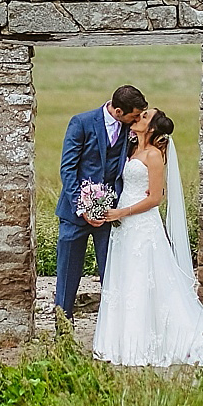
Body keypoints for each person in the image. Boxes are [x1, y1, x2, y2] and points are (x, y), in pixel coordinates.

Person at [88, 108, 203, 367]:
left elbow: (154, 198)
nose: (137, 118)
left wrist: (121, 212)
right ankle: (119, 340)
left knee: (143, 277)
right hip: (124, 226)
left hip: (141, 223)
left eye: (144, 117)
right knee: (125, 277)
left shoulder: (153, 156)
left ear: (151, 129)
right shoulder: (131, 149)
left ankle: (143, 342)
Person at [54, 85, 148, 318]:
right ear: (118, 111)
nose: (137, 120)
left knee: (112, 273)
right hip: (74, 215)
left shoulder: (131, 128)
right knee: (67, 275)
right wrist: (82, 206)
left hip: (111, 214)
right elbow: (68, 169)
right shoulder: (81, 123)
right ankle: (63, 332)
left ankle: (110, 330)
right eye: (134, 116)